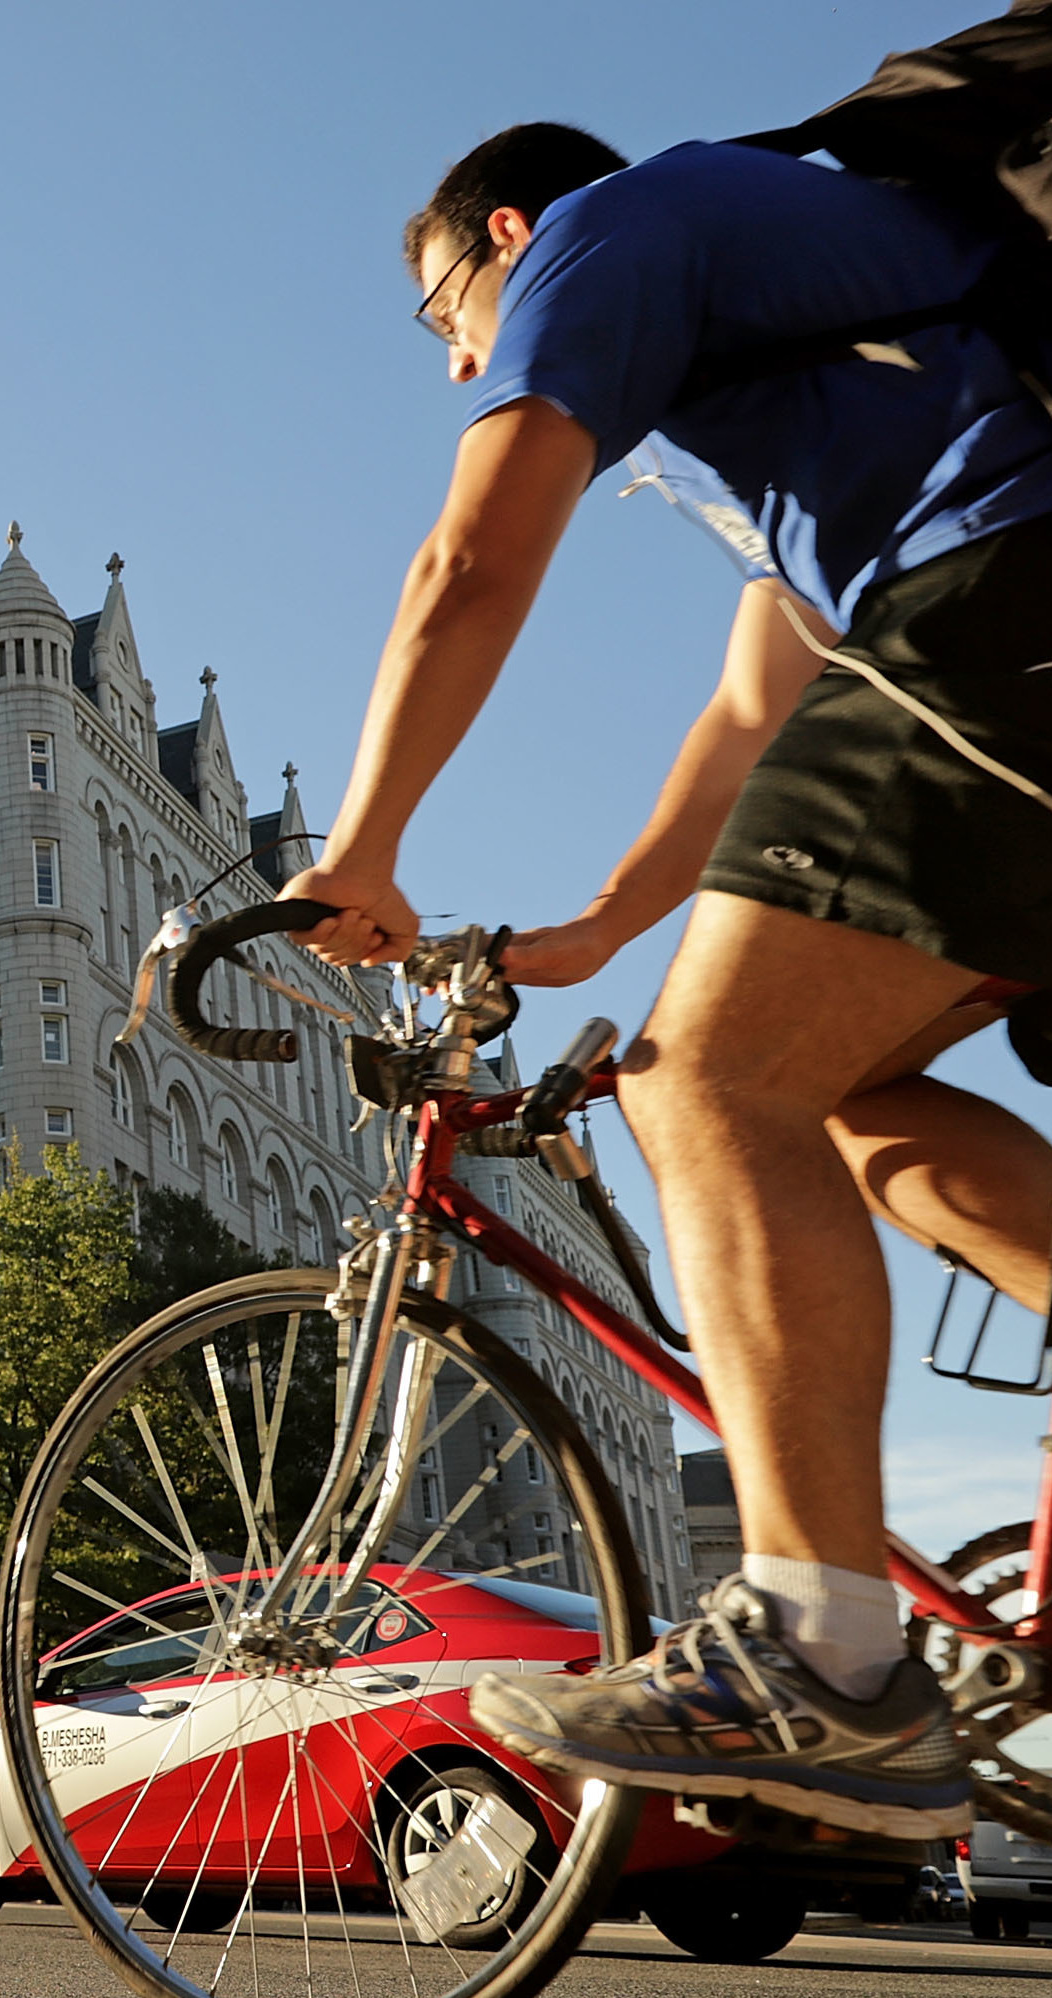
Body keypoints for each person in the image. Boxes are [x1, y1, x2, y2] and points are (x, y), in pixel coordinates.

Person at [283, 119, 1052, 1843]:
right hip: (986, 624)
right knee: (829, 1091)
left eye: (442, 319)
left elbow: (466, 561)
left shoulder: (606, 232)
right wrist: (587, 932)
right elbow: (739, 718)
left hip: (1007, 601)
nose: (461, 359)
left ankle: (817, 1654)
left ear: (502, 234)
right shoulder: (804, 411)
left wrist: (358, 843)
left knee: (698, 1081)